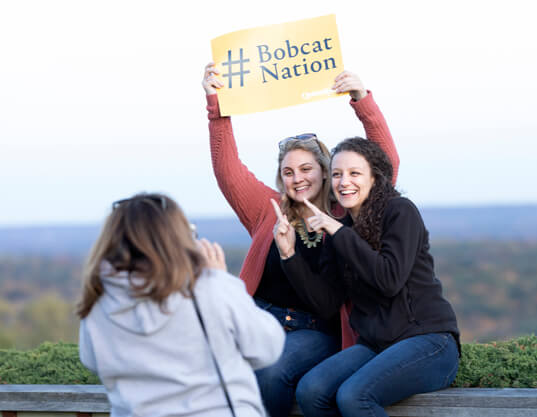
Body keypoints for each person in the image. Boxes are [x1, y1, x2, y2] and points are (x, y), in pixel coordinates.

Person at [202, 63, 400, 417]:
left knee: (271, 371)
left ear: (325, 171)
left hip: (315, 330)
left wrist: (362, 101)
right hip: (259, 318)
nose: (297, 179)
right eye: (288, 172)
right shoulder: (268, 210)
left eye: (306, 169)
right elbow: (227, 170)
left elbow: (384, 165)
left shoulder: (348, 212)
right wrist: (216, 106)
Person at [77, 192, 285, 417]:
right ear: (176, 238)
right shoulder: (208, 288)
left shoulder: (98, 303)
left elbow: (91, 361)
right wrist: (222, 280)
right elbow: (268, 347)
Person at [295, 138, 461, 417]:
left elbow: (389, 279)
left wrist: (338, 233)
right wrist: (290, 256)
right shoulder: (342, 230)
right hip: (376, 346)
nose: (344, 181)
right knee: (311, 391)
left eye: (354, 173)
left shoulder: (400, 211)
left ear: (375, 178)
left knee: (354, 396)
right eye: (337, 174)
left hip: (430, 343)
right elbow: (325, 303)